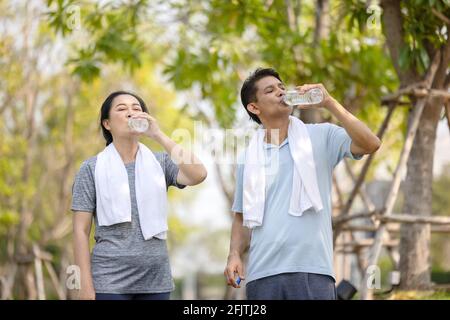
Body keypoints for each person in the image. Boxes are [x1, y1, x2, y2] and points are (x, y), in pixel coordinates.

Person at [224, 68, 381, 300]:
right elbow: (241, 216)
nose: (280, 91)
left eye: (281, 87)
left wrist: (329, 103)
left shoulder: (321, 136)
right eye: (270, 90)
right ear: (254, 107)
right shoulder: (248, 157)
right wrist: (234, 254)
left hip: (312, 272)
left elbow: (371, 143)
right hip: (262, 275)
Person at [71, 91, 207, 300]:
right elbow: (80, 231)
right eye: (122, 108)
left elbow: (199, 174)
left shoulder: (160, 162)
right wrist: (84, 285)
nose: (131, 113)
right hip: (108, 281)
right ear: (107, 124)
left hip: (155, 280)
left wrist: (159, 135)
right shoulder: (91, 168)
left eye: (136, 108)